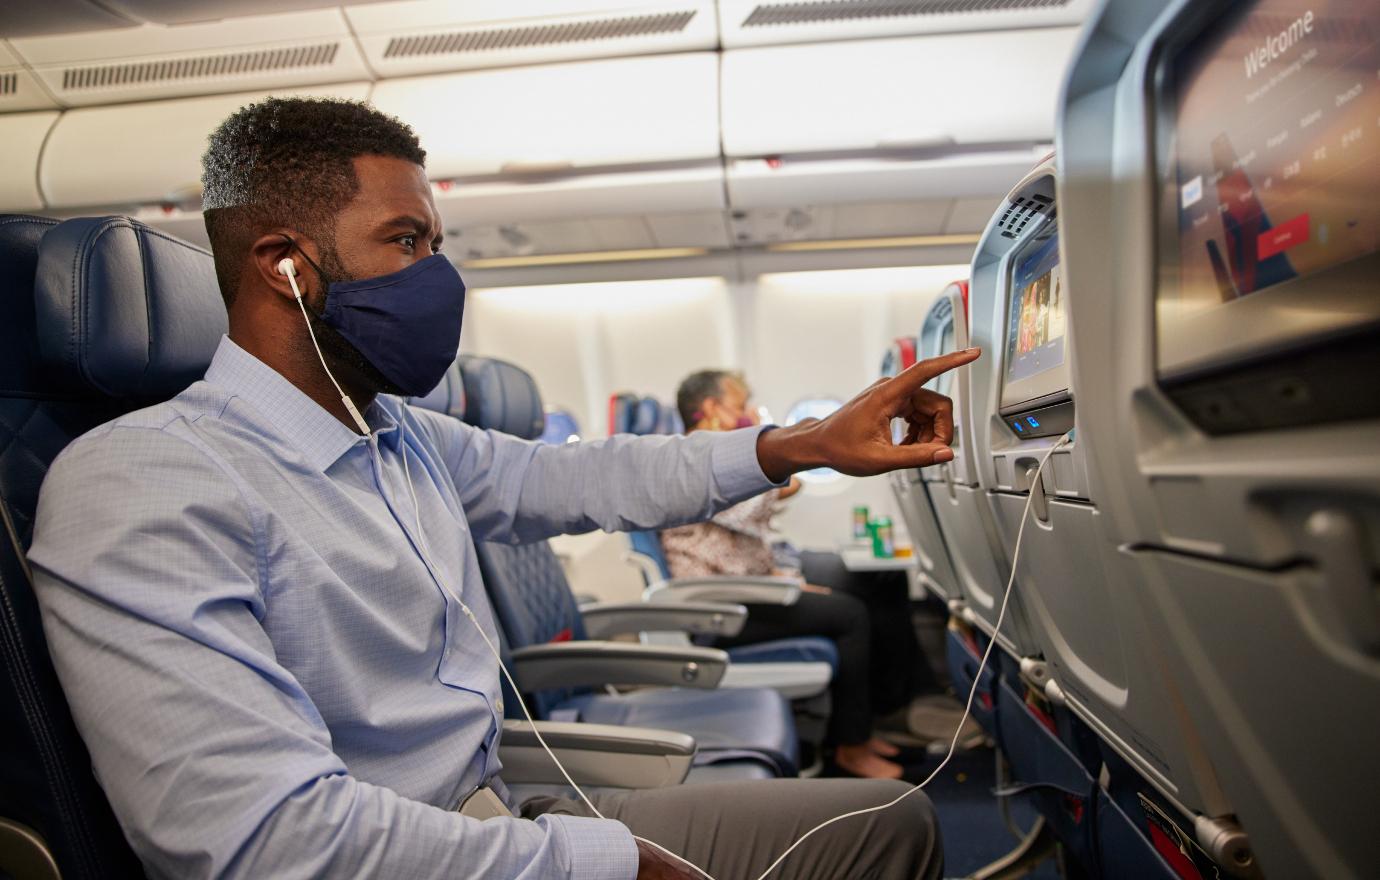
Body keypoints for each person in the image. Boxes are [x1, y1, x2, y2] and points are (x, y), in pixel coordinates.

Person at [27, 97, 978, 880]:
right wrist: (609, 865)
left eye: (436, 242)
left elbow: (580, 475)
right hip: (410, 853)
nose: (439, 277)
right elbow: (266, 843)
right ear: (286, 266)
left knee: (890, 826)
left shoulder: (399, 435)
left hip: (508, 805)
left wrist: (801, 444)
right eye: (405, 241)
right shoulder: (145, 483)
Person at [663, 371, 946, 781]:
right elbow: (749, 510)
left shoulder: (712, 453)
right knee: (849, 616)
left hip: (743, 589)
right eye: (740, 405)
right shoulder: (695, 458)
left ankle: (870, 725)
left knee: (855, 598)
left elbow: (746, 537)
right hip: (715, 609)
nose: (746, 415)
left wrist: (783, 578)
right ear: (709, 409)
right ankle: (851, 747)